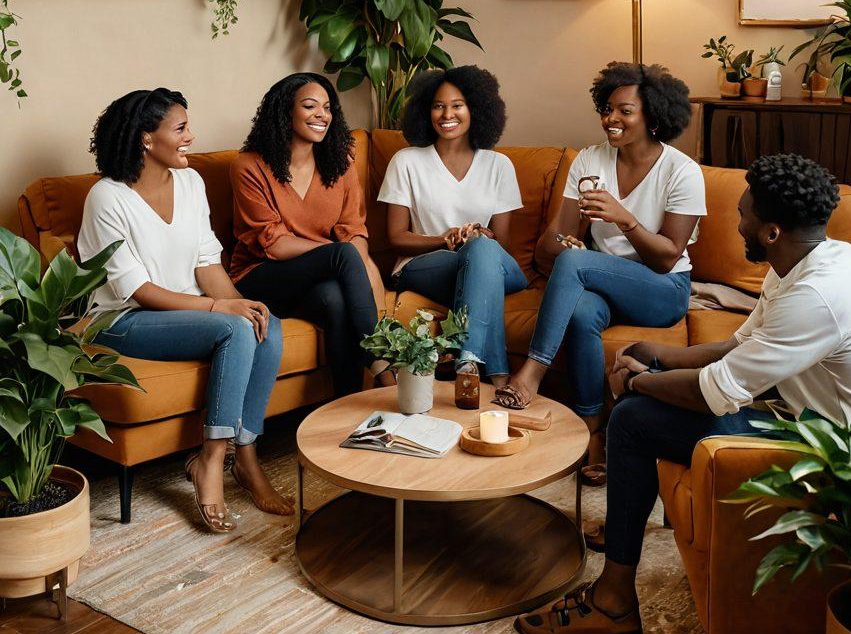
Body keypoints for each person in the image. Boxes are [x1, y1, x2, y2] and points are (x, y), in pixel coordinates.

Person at [515, 153, 851, 634]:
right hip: (809, 421)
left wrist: (635, 383)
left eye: (744, 215)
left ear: (772, 232)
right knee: (642, 403)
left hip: (845, 460)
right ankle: (619, 569)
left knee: (632, 420)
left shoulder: (818, 294)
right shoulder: (812, 259)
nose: (736, 223)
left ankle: (613, 604)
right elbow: (740, 345)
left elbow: (713, 392)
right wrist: (662, 356)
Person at [79, 88, 292, 535]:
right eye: (180, 129)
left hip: (188, 310)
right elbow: (136, 289)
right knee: (235, 328)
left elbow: (205, 262)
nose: (190, 136)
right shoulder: (106, 198)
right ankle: (210, 462)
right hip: (122, 320)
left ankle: (246, 457)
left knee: (263, 325)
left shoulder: (191, 183)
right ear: (145, 139)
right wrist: (220, 308)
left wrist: (242, 304)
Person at [495, 62, 704, 481]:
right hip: (601, 283)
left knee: (578, 266)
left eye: (625, 111)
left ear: (653, 116)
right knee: (582, 313)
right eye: (607, 109)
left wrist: (625, 220)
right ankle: (594, 430)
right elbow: (557, 245)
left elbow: (666, 257)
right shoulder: (590, 160)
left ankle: (531, 373)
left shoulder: (682, 171)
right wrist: (564, 238)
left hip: (662, 288)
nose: (611, 119)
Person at [230, 73, 391, 398]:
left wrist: (355, 264)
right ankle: (385, 371)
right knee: (343, 255)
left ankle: (347, 406)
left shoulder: (340, 164)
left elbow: (354, 230)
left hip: (318, 281)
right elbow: (273, 242)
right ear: (286, 112)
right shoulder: (248, 166)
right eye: (310, 106)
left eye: (328, 107)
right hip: (260, 276)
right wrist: (342, 258)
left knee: (334, 299)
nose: (322, 114)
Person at [378, 66, 525, 386]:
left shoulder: (499, 165)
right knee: (484, 272)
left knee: (483, 252)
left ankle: (466, 359)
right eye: (438, 105)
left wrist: (481, 237)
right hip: (422, 265)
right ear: (425, 111)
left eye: (457, 105)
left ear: (476, 109)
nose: (447, 114)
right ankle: (492, 375)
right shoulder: (407, 161)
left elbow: (502, 243)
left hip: (486, 261)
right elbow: (396, 237)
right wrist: (442, 240)